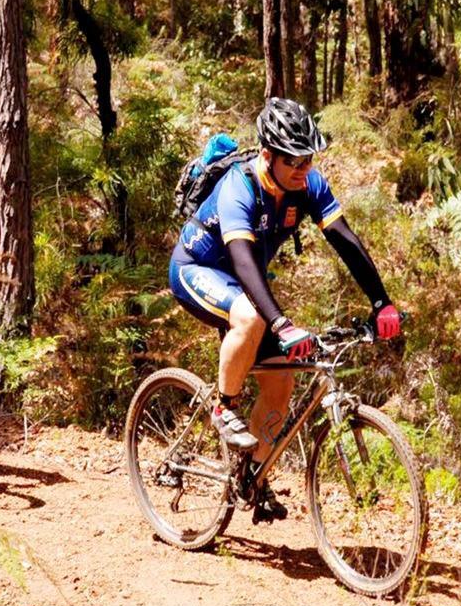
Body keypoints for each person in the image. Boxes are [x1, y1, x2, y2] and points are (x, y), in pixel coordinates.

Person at [168, 97, 402, 522]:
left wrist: (381, 301)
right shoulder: (240, 186)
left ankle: (251, 476)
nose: (302, 167)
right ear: (266, 155)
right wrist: (279, 321)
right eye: (292, 159)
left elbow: (344, 240)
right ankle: (224, 406)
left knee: (282, 382)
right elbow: (241, 258)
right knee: (251, 317)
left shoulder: (308, 184)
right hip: (197, 269)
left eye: (307, 158)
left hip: (244, 285)